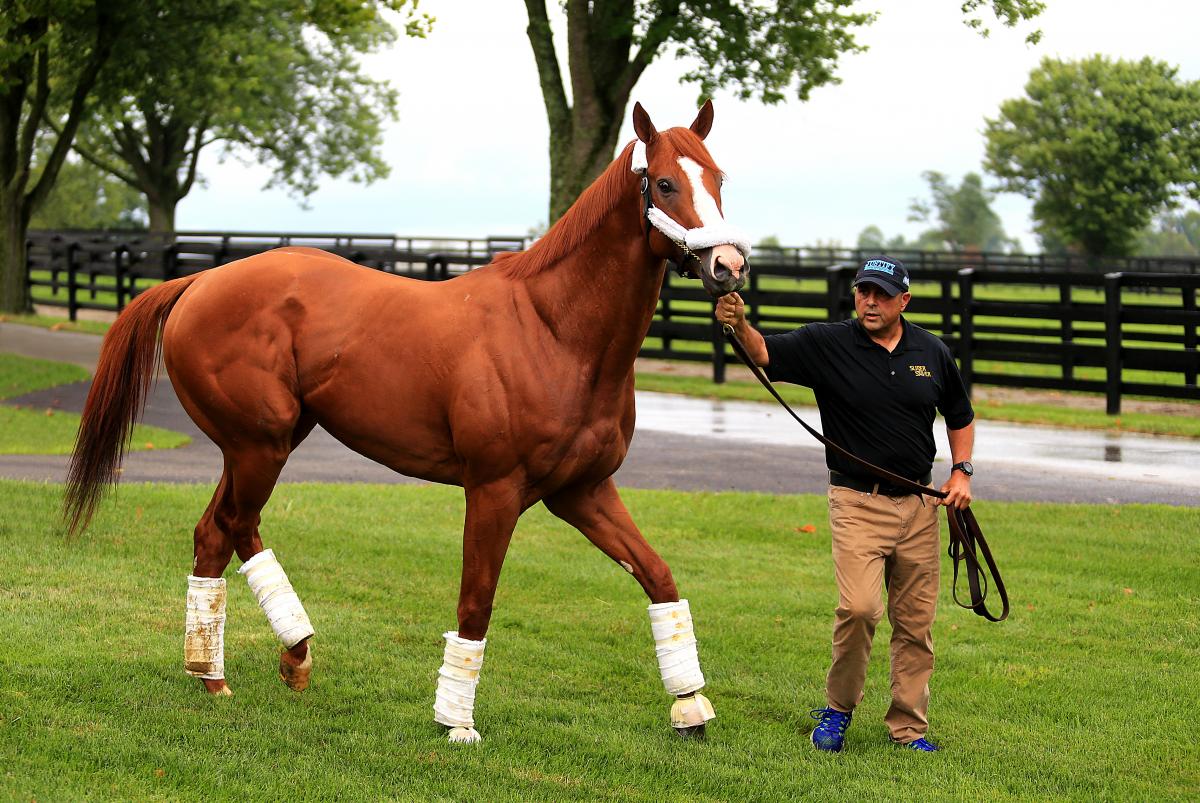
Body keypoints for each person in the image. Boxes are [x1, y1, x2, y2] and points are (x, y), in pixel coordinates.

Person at [715, 255, 975, 753]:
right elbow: (764, 353)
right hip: (857, 502)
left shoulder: (932, 352)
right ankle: (837, 711)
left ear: (904, 300)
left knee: (915, 624)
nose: (870, 301)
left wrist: (961, 471)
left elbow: (959, 415)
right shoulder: (828, 344)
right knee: (859, 608)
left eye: (880, 293)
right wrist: (740, 324)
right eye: (862, 291)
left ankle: (909, 729)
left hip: (921, 506)